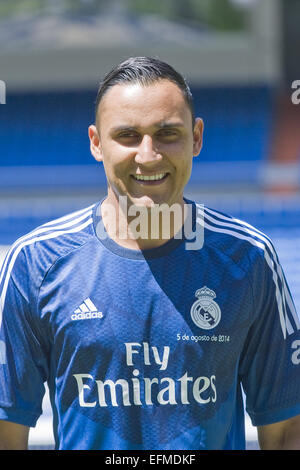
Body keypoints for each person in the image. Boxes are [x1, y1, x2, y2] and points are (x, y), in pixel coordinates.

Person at [0, 57, 300, 451]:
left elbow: (286, 431)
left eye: (167, 133)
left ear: (196, 137)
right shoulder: (36, 262)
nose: (148, 155)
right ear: (96, 143)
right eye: (127, 135)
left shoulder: (249, 258)